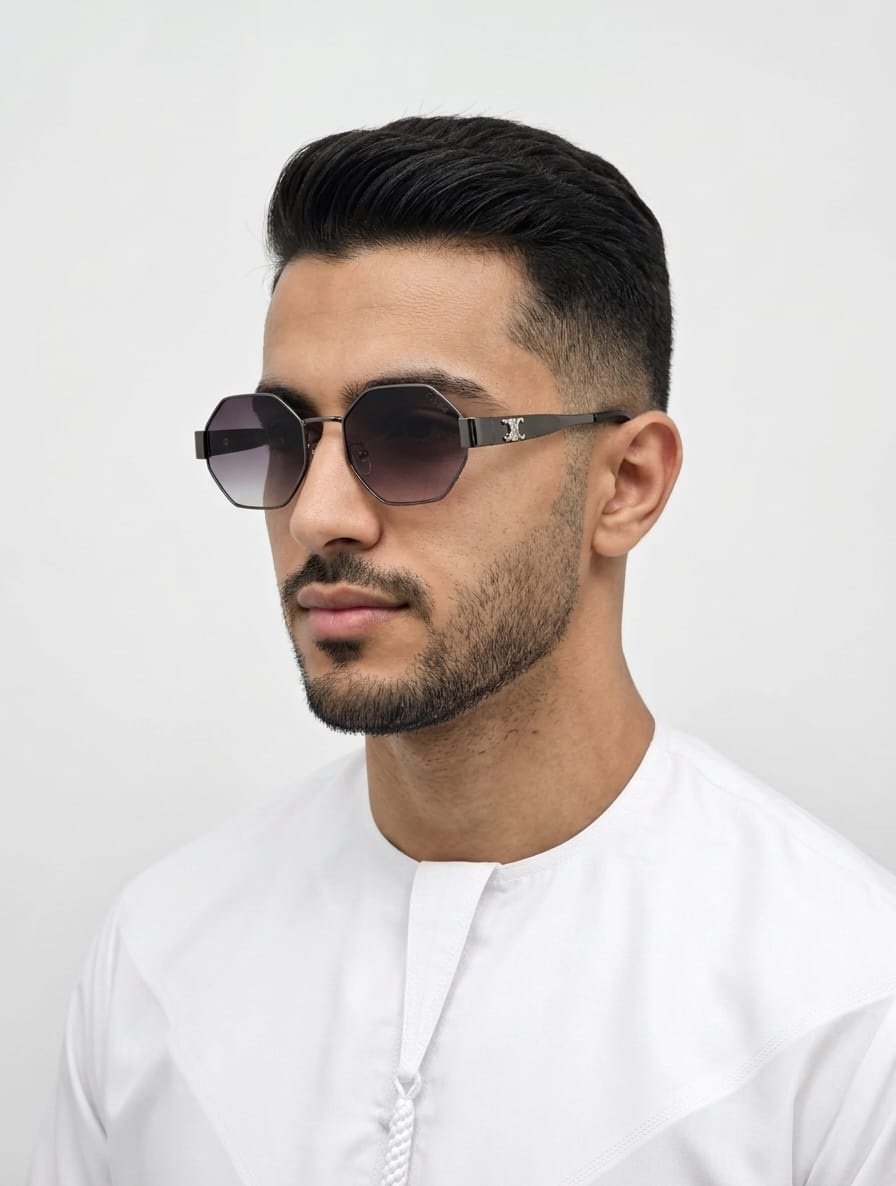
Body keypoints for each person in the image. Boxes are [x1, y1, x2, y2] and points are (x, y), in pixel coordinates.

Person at [29, 113, 896, 1186]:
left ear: (625, 484)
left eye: (414, 434)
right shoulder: (159, 961)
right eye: (281, 438)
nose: (318, 516)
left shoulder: (843, 1006)